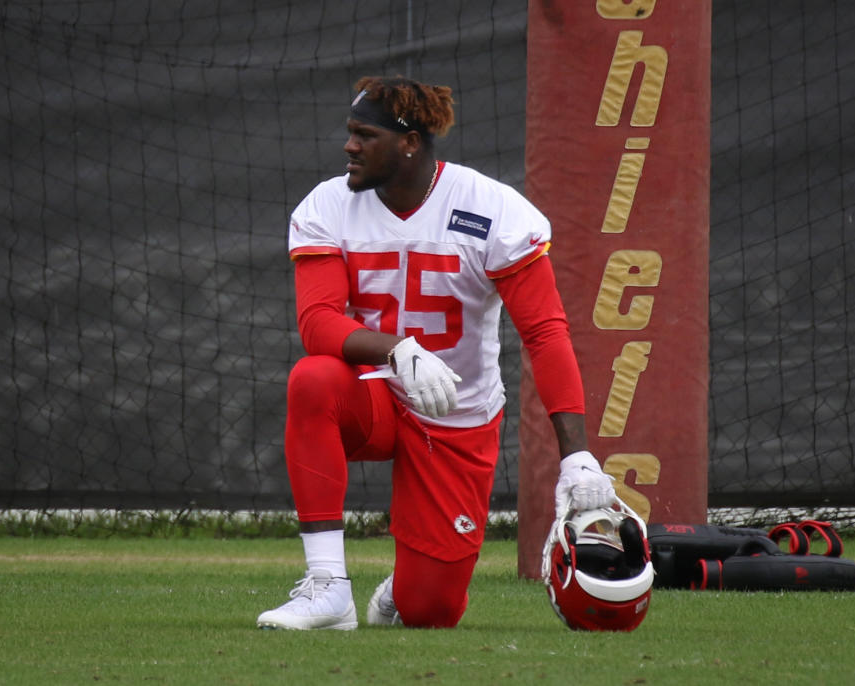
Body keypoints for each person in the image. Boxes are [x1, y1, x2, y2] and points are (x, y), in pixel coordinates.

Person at [256, 75, 614, 630]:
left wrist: (576, 454)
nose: (349, 146)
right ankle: (327, 587)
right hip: (374, 392)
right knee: (313, 379)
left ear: (409, 143)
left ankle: (409, 583)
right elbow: (317, 322)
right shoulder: (328, 205)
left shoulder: (491, 209)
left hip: (454, 411)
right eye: (350, 134)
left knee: (431, 610)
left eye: (363, 135)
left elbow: (544, 332)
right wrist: (397, 349)